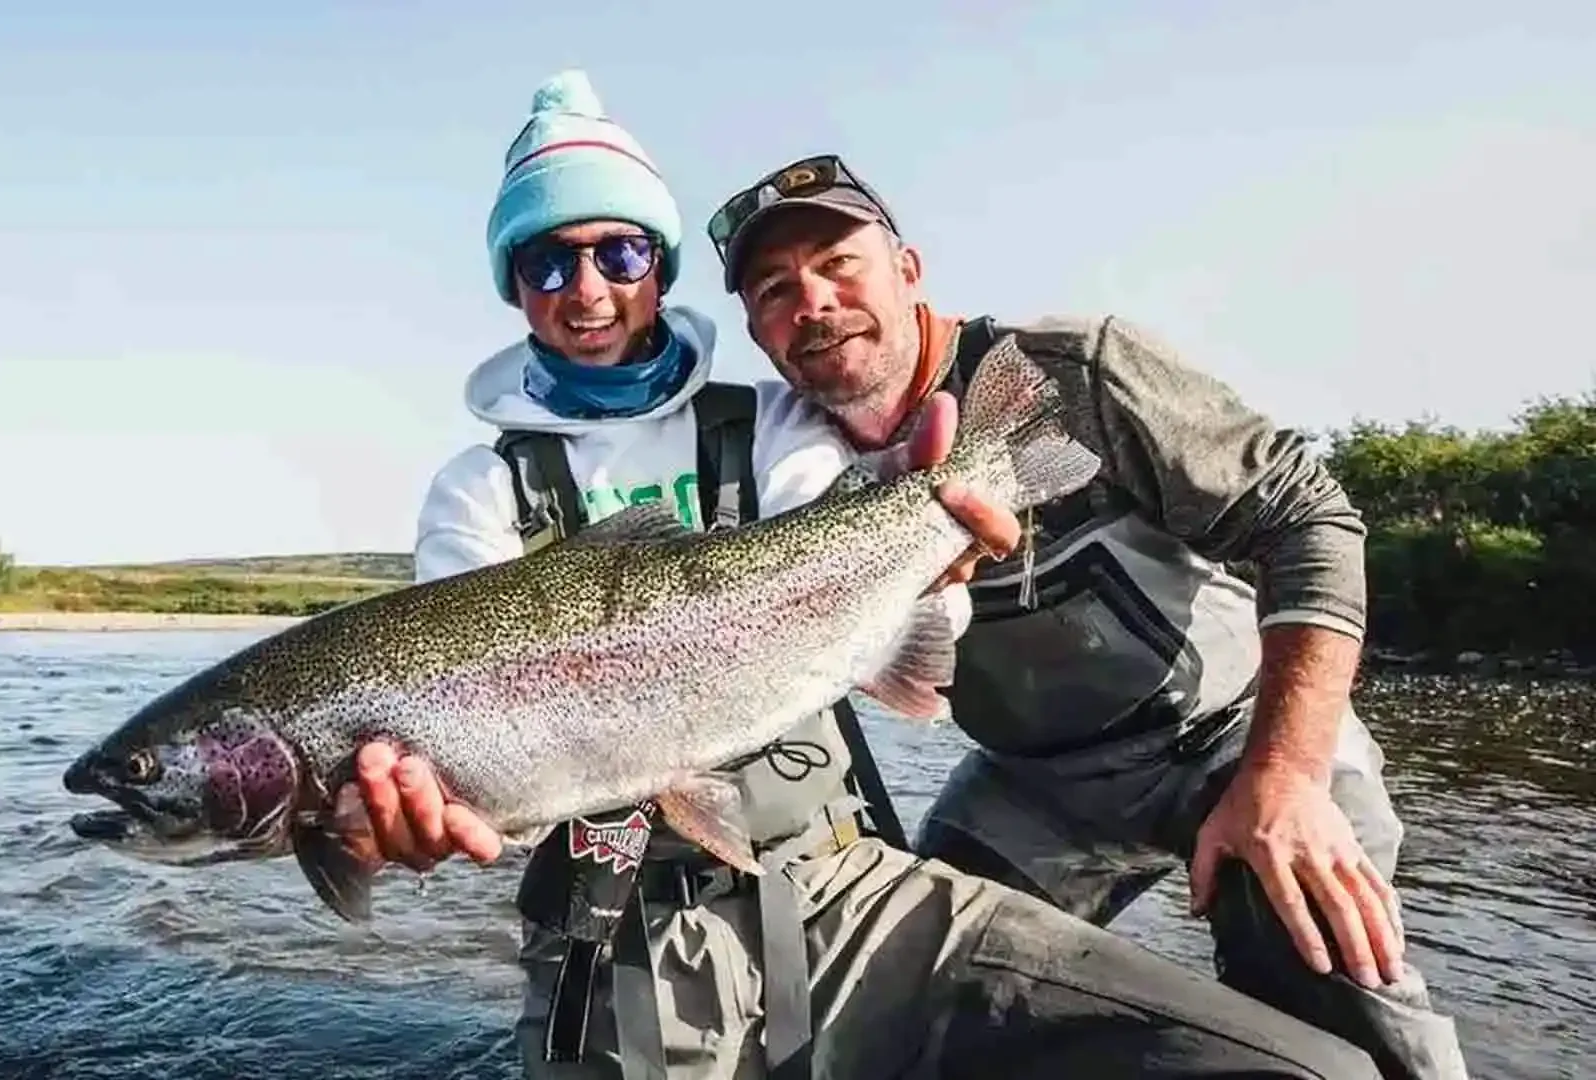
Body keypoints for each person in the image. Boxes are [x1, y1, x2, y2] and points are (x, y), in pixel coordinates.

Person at [335, 70, 1386, 1080]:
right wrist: (415, 810)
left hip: (841, 876)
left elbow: (871, 577)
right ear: (515, 290)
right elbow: (456, 715)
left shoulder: (777, 421)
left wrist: (942, 546)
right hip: (615, 917)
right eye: (547, 266)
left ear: (658, 263)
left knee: (1311, 1059)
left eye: (617, 251)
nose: (589, 289)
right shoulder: (477, 489)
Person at [694, 152, 1472, 1080]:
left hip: (1233, 736)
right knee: (923, 999)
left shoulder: (1071, 370)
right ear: (756, 331)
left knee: (1322, 955)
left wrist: (1289, 774)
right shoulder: (780, 465)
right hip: (1031, 785)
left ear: (907, 271)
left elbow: (1308, 518)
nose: (812, 301)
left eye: (837, 264)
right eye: (776, 289)